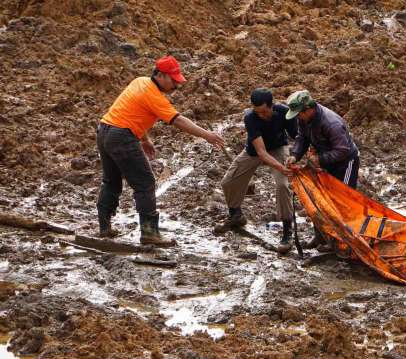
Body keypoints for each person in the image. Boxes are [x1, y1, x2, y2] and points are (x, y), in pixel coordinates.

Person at [97, 55, 224, 246]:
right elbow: (178, 120)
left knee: (111, 180)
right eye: (173, 81)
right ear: (161, 75)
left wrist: (145, 139)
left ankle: (104, 227)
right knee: (145, 183)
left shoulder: (139, 82)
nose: (176, 86)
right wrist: (207, 135)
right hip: (121, 136)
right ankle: (149, 233)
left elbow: (131, 112)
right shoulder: (154, 97)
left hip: (104, 130)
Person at [218, 88, 298, 254]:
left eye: (264, 111)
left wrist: (294, 158)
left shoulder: (284, 112)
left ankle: (287, 231)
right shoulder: (250, 117)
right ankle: (235, 215)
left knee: (283, 185)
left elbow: (297, 137)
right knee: (228, 181)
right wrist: (280, 167)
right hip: (254, 150)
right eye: (257, 112)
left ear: (271, 106)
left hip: (278, 148)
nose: (261, 115)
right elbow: (261, 152)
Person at [284, 90, 359, 252]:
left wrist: (320, 159)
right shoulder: (304, 120)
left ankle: (340, 241)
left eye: (299, 114)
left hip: (345, 163)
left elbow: (343, 150)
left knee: (340, 201)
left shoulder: (331, 123)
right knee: (317, 199)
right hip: (325, 160)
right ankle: (321, 236)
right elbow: (302, 138)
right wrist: (295, 156)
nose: (298, 118)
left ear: (308, 109)